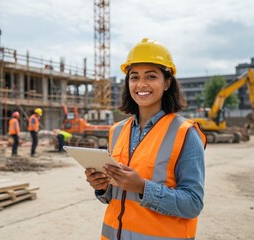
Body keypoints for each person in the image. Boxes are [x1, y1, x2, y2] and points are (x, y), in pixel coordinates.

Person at [85, 38, 207, 240]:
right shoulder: (116, 131)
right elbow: (116, 197)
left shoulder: (185, 133)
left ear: (167, 82)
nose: (141, 84)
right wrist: (102, 187)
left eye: (151, 76)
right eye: (134, 77)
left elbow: (192, 204)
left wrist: (143, 187)